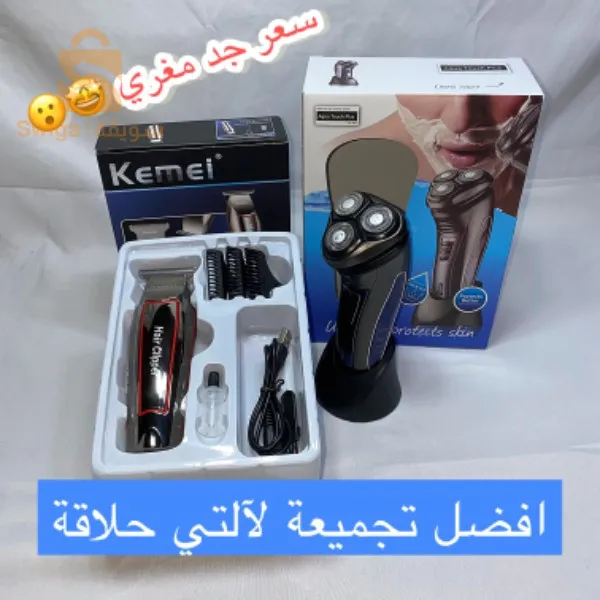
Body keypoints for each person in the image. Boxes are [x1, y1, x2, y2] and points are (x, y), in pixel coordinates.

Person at [328, 94, 542, 217]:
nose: (459, 122)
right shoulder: (340, 166)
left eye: (494, 86)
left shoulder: (547, 174)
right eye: (430, 85)